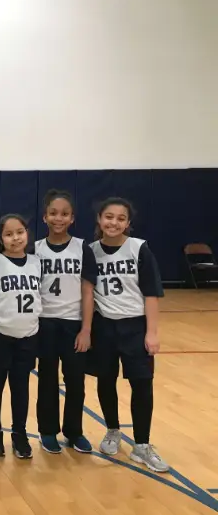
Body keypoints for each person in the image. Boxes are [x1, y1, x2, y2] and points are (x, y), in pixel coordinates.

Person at [88, 197, 168, 472]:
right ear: (99, 219)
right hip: (104, 327)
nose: (114, 222)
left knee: (142, 384)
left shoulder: (139, 249)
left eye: (120, 218)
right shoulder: (91, 251)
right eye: (109, 217)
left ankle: (142, 445)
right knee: (106, 381)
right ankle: (112, 430)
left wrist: (152, 332)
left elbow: (151, 293)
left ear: (128, 223)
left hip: (135, 327)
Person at [35, 189, 97, 454]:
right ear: (44, 217)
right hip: (45, 323)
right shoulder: (34, 249)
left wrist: (86, 329)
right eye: (53, 213)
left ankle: (74, 431)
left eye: (64, 214)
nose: (58, 218)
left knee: (75, 381)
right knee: (47, 379)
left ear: (72, 218)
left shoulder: (82, 248)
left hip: (73, 324)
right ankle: (47, 431)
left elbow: (87, 291)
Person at [0, 214, 41, 459]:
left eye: (20, 232)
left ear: (27, 233)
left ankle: (20, 434)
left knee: (21, 387)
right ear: (1, 239)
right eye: (9, 234)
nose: (15, 238)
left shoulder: (36, 262)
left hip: (28, 335)